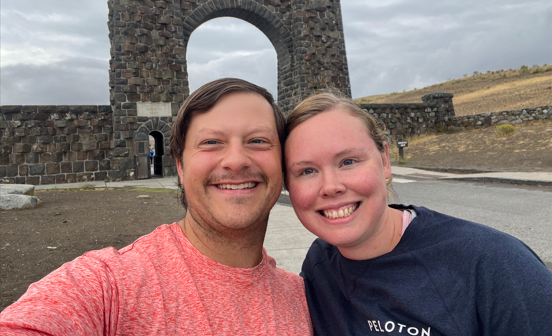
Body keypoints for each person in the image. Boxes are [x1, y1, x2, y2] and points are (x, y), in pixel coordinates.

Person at [0, 78, 313, 335]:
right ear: (179, 166)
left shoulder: (307, 298)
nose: (236, 161)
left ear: (283, 161)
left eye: (258, 140)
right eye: (211, 142)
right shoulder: (110, 286)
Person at [283, 92, 552, 336]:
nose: (331, 187)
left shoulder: (494, 264)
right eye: (307, 171)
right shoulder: (319, 267)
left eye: (348, 161)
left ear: (385, 161)